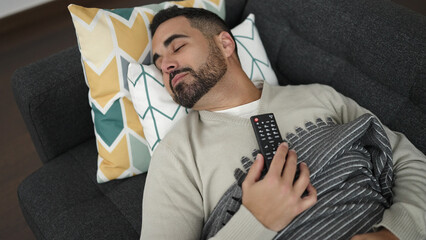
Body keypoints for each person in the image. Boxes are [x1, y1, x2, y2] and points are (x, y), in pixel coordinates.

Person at [140, 6, 426, 240]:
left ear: (225, 43)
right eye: (158, 63)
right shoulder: (177, 151)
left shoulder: (319, 95)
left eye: (176, 47)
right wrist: (255, 222)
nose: (166, 65)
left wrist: (396, 232)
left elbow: (408, 160)